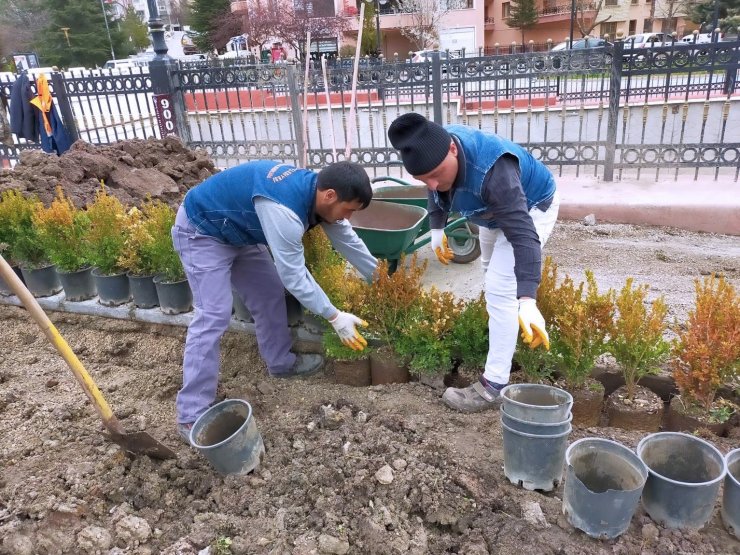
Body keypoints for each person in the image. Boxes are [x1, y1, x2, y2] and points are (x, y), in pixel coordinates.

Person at [173, 160, 377, 441]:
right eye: (349, 209)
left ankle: (281, 364)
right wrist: (334, 316)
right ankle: (191, 415)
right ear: (329, 195)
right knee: (213, 315)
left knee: (269, 294)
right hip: (202, 230)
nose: (349, 217)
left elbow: (348, 241)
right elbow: (294, 277)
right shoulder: (283, 211)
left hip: (239, 232)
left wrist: (381, 279)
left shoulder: (319, 197)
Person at [387, 113, 559, 412]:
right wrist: (437, 226)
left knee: (500, 287)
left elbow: (523, 236)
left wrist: (528, 298)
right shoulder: (435, 148)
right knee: (490, 276)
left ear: (453, 149)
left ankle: (494, 385)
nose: (433, 184)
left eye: (437, 174)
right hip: (488, 214)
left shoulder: (494, 172)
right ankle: (500, 333)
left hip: (531, 207)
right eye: (422, 179)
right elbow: (434, 185)